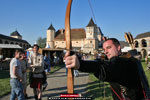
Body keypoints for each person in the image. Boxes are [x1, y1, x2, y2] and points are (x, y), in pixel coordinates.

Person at [64, 38, 148, 100]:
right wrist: (77, 57)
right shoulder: (129, 59)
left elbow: (108, 67)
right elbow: (100, 62)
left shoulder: (127, 62)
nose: (105, 51)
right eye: (104, 49)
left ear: (118, 47)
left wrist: (81, 64)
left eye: (109, 47)